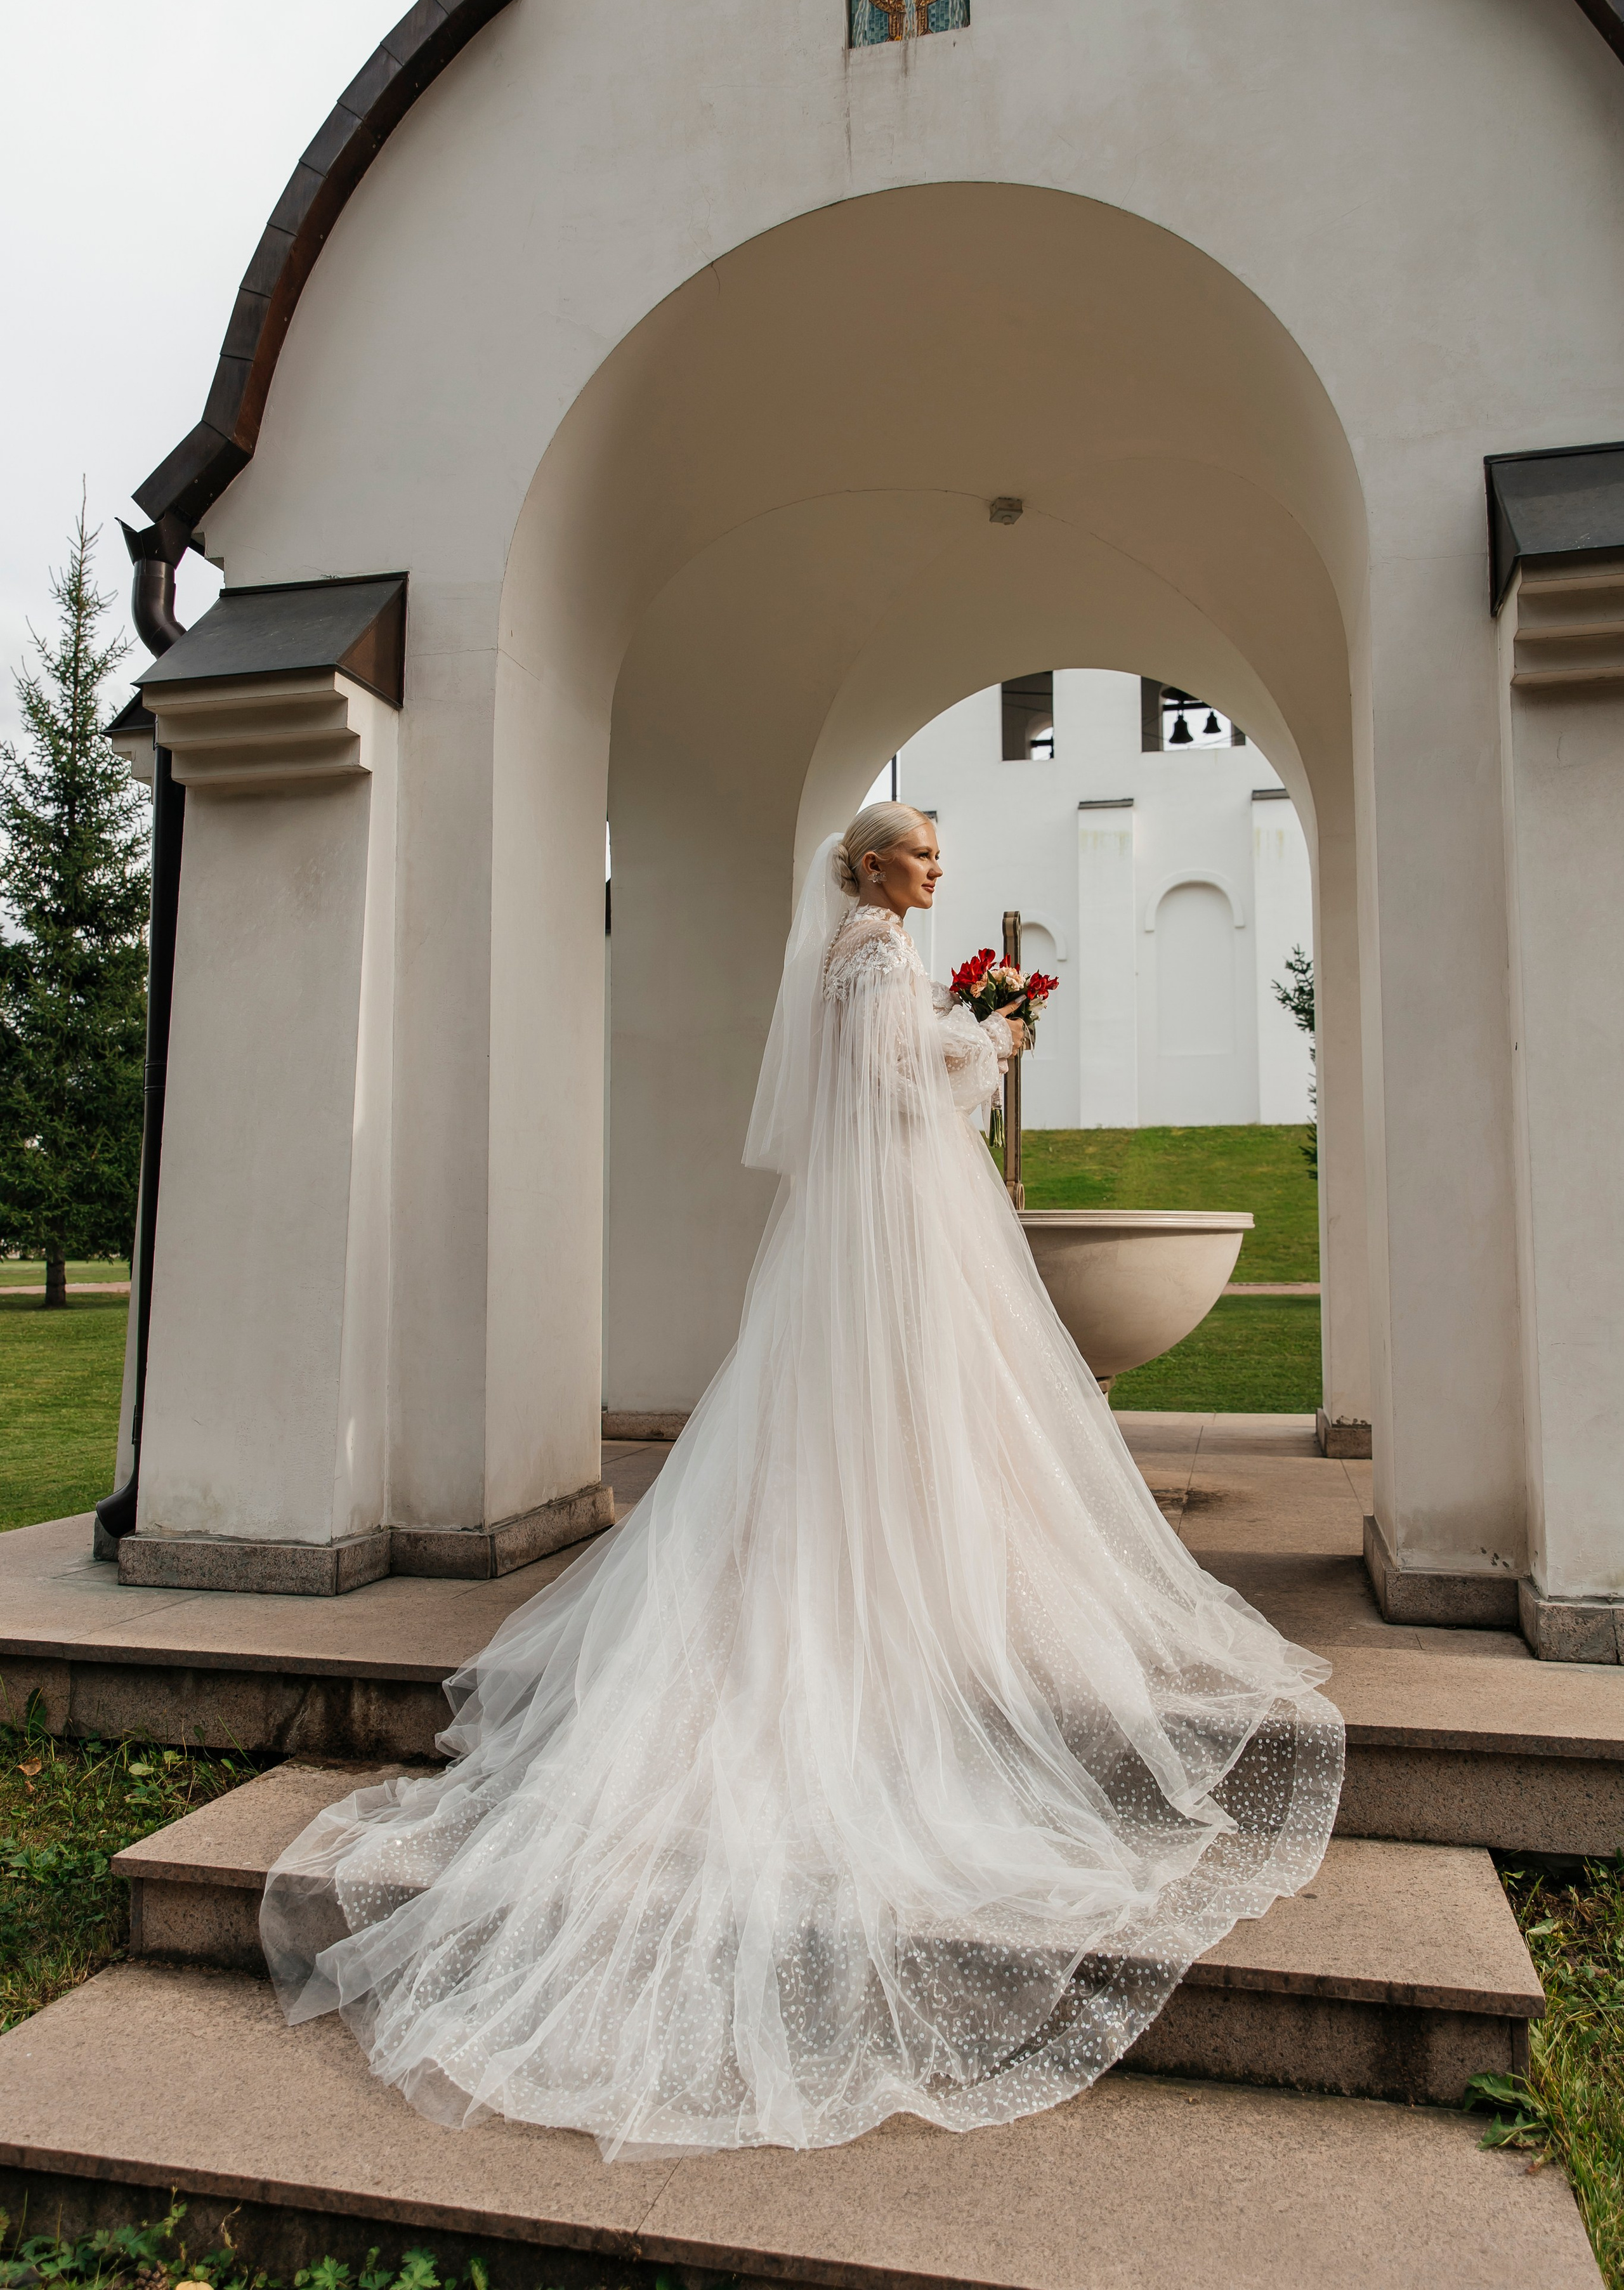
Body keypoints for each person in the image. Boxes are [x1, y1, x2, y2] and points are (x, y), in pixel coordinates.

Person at [262, 801, 1342, 2161]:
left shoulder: (852, 949)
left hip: (868, 1209)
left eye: (942, 853)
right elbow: (898, 1087)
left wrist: (969, 1034)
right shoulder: (879, 955)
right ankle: (917, 1571)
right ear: (868, 863)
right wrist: (985, 1040)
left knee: (877, 1399)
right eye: (920, 854)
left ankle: (890, 1546)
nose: (936, 870)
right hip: (896, 1199)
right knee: (922, 1392)